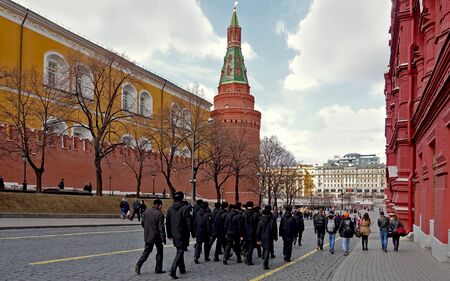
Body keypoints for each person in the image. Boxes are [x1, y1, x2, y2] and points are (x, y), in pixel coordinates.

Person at [135, 199, 166, 275]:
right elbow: (161, 228)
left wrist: (148, 230)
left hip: (148, 235)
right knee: (159, 252)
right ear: (160, 205)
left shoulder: (146, 212)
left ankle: (139, 264)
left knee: (147, 251)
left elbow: (142, 223)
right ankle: (158, 269)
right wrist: (163, 239)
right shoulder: (160, 214)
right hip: (157, 236)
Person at [166, 191, 192, 279]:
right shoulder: (185, 208)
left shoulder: (170, 209)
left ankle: (182, 268)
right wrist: (192, 232)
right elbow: (188, 222)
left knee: (179, 250)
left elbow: (168, 223)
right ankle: (173, 270)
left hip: (174, 233)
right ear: (182, 198)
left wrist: (169, 234)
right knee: (181, 250)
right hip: (183, 233)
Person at [242, 201, 259, 265]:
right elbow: (257, 226)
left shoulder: (243, 214)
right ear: (253, 205)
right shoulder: (255, 214)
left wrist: (241, 234)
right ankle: (248, 259)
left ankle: (247, 256)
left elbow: (241, 225)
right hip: (253, 233)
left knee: (247, 246)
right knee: (251, 247)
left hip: (245, 233)